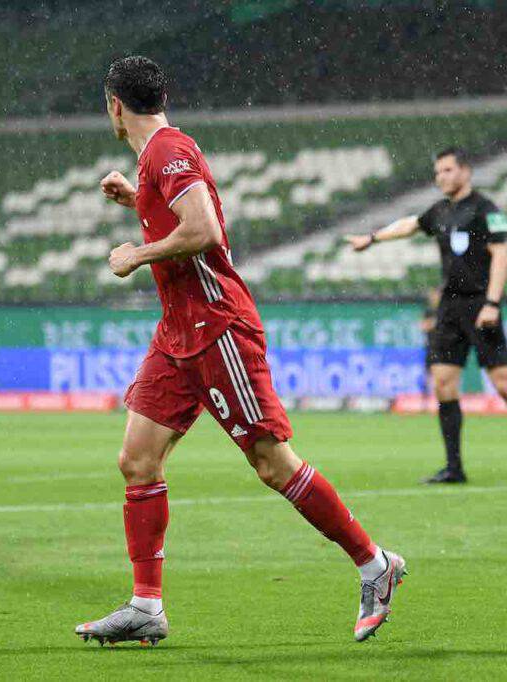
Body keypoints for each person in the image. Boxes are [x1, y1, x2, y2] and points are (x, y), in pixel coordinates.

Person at [74, 56, 406, 646]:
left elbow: (203, 231)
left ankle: (375, 565)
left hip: (217, 329)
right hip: (177, 332)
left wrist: (135, 253)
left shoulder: (167, 151)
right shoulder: (156, 160)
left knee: (272, 463)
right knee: (137, 459)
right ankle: (146, 606)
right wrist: (138, 202)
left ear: (114, 106)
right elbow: (184, 217)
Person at [345, 147, 507, 486]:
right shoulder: (441, 211)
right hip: (450, 306)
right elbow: (411, 225)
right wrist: (372, 239)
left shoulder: (487, 210)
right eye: (437, 172)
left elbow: (501, 256)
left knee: (504, 384)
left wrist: (492, 302)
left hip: (480, 305)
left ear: (465, 171)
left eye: (446, 170)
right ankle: (454, 468)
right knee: (443, 381)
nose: (440, 177)